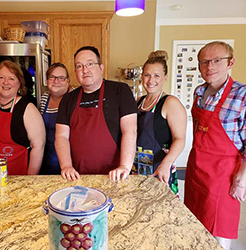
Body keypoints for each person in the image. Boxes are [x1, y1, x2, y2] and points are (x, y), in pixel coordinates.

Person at [184, 41, 246, 250]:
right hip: (196, 170)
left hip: (223, 176)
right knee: (194, 223)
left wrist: (241, 179)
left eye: (217, 61)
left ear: (231, 63)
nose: (210, 67)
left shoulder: (242, 96)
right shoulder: (199, 92)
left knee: (218, 233)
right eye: (204, 62)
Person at [55, 46, 138, 181]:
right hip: (77, 176)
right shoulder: (68, 99)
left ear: (101, 67)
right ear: (75, 71)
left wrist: (124, 166)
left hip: (115, 175)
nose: (85, 70)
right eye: (79, 66)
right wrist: (66, 166)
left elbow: (130, 131)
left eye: (90, 64)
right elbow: (61, 136)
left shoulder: (120, 91)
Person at [0, 60, 45, 175]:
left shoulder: (27, 109)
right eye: (1, 77)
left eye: (12, 78)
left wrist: (30, 180)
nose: (6, 82)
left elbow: (38, 146)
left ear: (19, 83)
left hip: (17, 179)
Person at [135, 50, 186, 195]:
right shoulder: (139, 101)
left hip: (159, 167)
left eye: (156, 76)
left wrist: (166, 164)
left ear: (165, 77)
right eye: (147, 75)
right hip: (137, 167)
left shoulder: (170, 103)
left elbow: (180, 139)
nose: (151, 80)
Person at [39, 62, 71, 174]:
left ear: (68, 81)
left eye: (61, 78)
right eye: (52, 77)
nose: (56, 81)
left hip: (69, 163)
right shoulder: (44, 98)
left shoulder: (74, 100)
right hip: (45, 159)